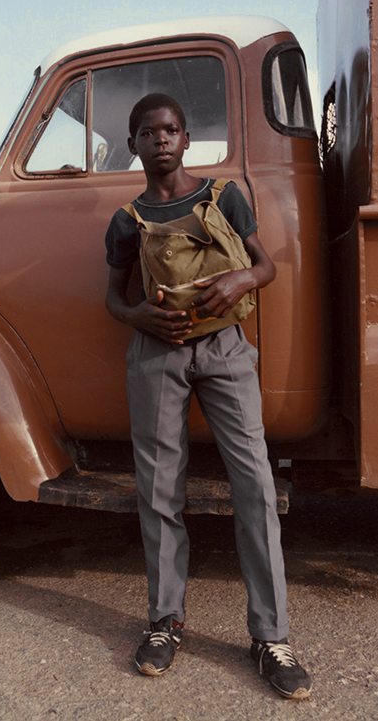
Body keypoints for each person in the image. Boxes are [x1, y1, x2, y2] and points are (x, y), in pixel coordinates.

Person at [104, 93, 312, 700]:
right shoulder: (127, 220)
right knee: (160, 489)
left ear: (186, 138)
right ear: (135, 143)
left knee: (255, 486)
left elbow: (266, 265)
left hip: (224, 348)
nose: (161, 139)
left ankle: (271, 638)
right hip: (157, 354)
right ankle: (164, 624)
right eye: (149, 132)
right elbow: (113, 300)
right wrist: (141, 318)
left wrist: (242, 278)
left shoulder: (224, 198)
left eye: (170, 129)